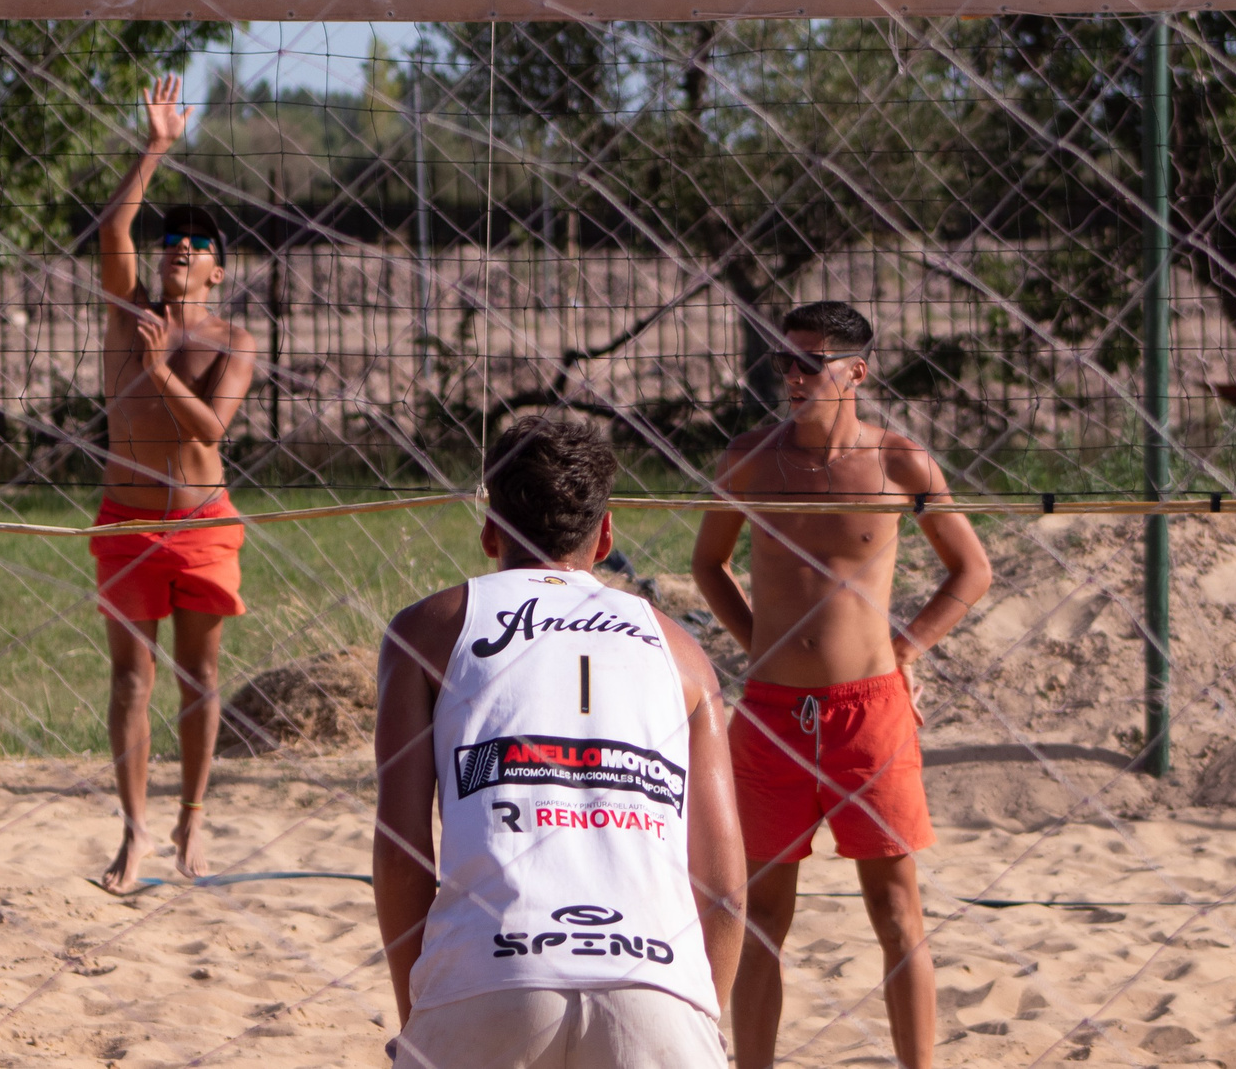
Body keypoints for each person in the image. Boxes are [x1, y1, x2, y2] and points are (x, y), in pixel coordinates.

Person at [375, 414, 744, 1069]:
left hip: (489, 968)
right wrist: (699, 1015)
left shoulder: (428, 629)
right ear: (604, 535)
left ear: (490, 530)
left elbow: (403, 857)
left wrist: (423, 1013)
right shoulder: (683, 652)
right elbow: (723, 889)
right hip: (655, 977)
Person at [690, 302, 991, 1069]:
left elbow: (972, 569)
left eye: (808, 362)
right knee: (758, 917)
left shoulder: (901, 462)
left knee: (895, 910)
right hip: (770, 713)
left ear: (857, 369)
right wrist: (761, 643)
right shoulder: (750, 457)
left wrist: (904, 649)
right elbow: (708, 564)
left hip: (870, 714)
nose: (790, 376)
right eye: (783, 361)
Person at [91, 72, 257, 893]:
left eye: (196, 245)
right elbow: (111, 223)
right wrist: (154, 146)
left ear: (218, 272)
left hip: (202, 521)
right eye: (170, 242)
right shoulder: (126, 308)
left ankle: (192, 815)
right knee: (131, 679)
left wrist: (157, 370)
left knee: (200, 677)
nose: (178, 248)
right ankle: (133, 832)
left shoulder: (233, 338)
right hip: (126, 518)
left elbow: (210, 429)